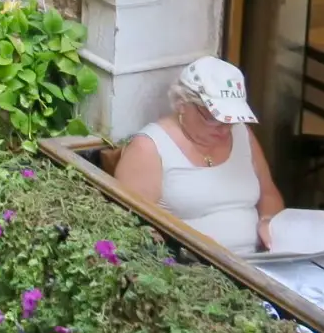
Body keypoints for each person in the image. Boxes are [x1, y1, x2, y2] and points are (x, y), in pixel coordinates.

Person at [113, 56, 285, 255]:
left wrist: (268, 220)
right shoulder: (149, 148)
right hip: (192, 271)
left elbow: (268, 193)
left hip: (258, 262)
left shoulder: (241, 133)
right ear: (182, 104)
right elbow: (130, 226)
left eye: (231, 120)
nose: (224, 129)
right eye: (213, 118)